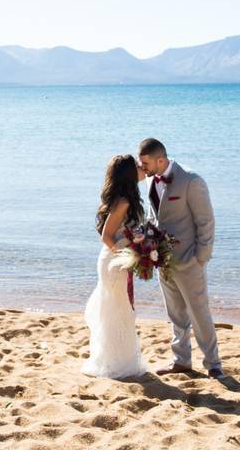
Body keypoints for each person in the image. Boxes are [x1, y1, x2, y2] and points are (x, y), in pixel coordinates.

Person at [138, 137, 225, 379]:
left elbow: (205, 221)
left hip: (189, 260)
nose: (142, 167)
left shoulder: (191, 180)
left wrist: (201, 258)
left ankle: (213, 363)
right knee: (175, 312)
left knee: (199, 312)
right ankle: (181, 360)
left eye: (145, 163)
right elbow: (156, 216)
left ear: (161, 160)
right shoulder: (149, 180)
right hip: (162, 260)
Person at [81, 154, 149, 379]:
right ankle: (115, 364)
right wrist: (126, 255)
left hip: (115, 260)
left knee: (118, 311)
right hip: (113, 262)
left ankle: (116, 361)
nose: (142, 168)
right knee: (119, 312)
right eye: (138, 166)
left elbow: (121, 231)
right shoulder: (124, 201)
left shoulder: (125, 199)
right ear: (130, 174)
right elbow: (107, 235)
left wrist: (137, 240)